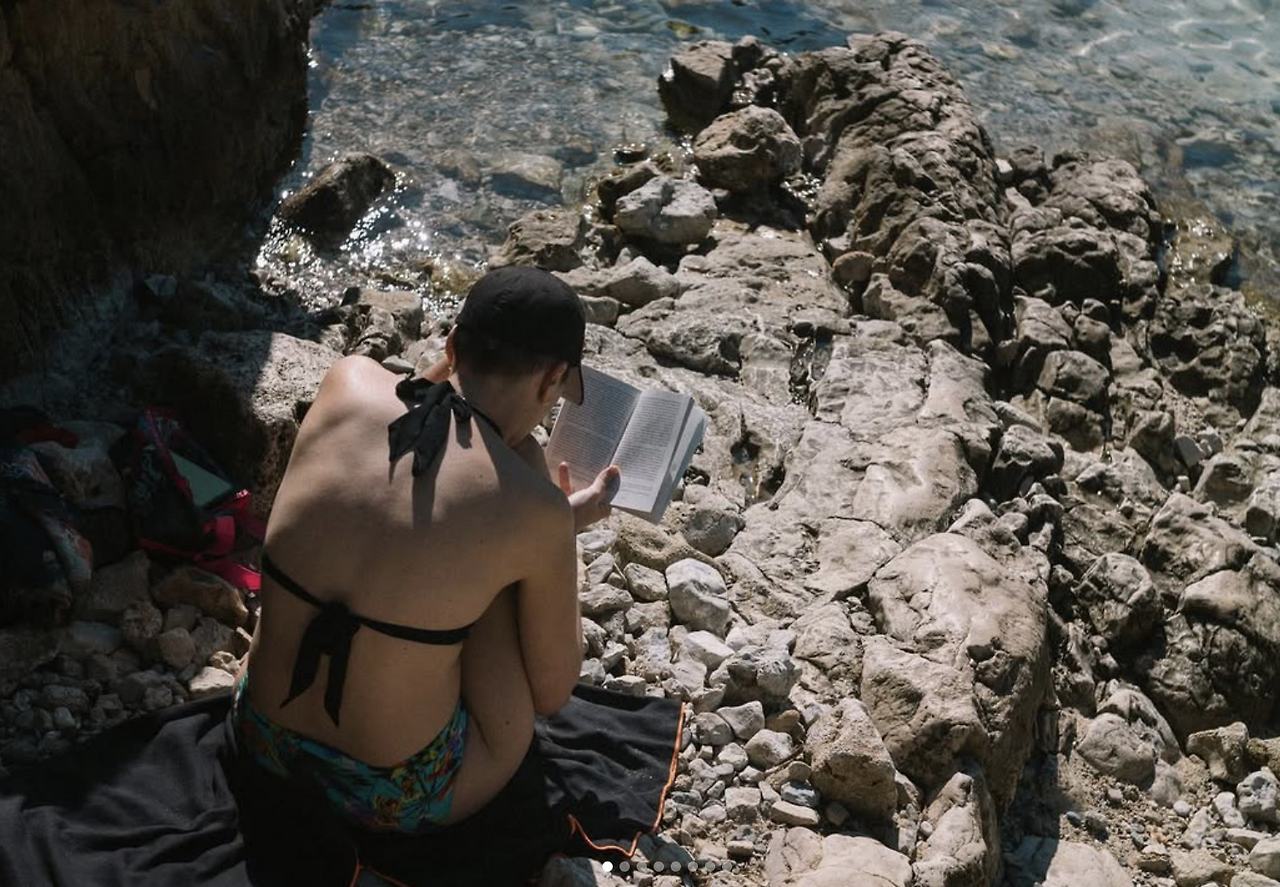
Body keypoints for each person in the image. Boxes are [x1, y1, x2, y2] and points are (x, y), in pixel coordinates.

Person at [233, 265, 621, 834]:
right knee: (497, 583)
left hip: (260, 738)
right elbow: (550, 691)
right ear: (552, 381)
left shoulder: (346, 380)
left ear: (452, 345)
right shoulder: (531, 509)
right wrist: (558, 525)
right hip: (391, 797)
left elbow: (421, 423)